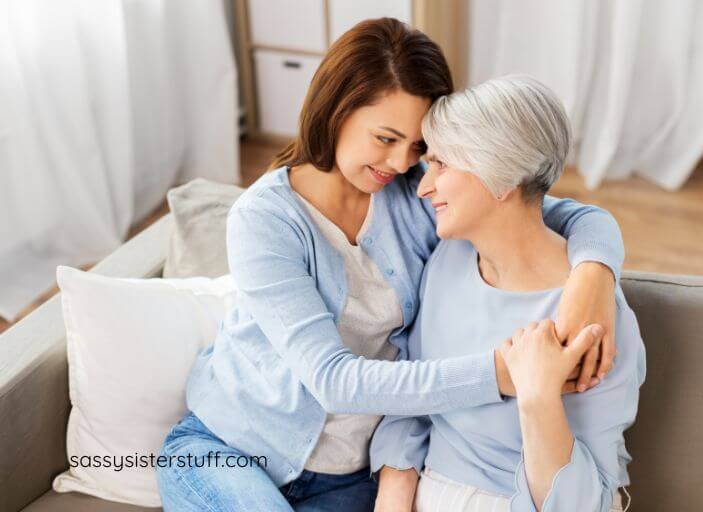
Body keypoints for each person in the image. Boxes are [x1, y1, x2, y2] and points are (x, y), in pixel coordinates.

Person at [155, 19, 625, 512]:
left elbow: (549, 207)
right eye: (385, 138)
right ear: (336, 110)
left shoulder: (419, 197)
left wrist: (594, 272)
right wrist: (504, 374)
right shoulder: (264, 220)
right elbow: (334, 381)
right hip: (228, 451)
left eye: (418, 146)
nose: (402, 163)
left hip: (349, 476)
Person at [371, 75, 645, 512]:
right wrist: (394, 485)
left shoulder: (591, 316)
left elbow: (582, 504)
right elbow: (415, 391)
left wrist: (538, 399)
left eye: (442, 165)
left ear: (500, 176)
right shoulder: (447, 259)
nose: (423, 187)